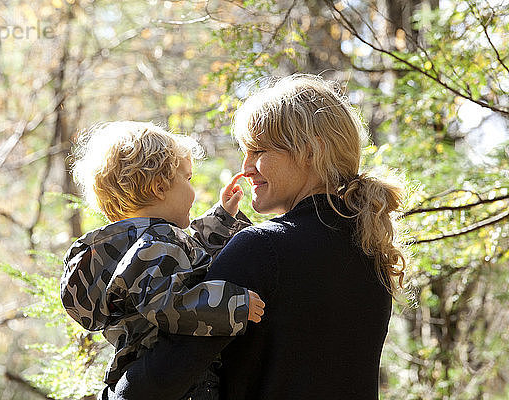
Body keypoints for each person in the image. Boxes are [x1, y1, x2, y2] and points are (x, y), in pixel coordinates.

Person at [103, 74, 409, 400]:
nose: (246, 167)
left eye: (258, 150)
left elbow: (160, 381)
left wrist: (111, 392)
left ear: (311, 150)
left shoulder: (262, 249)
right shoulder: (371, 251)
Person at [60, 121, 265, 400]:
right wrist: (234, 305)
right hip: (181, 385)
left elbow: (188, 254)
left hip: (144, 378)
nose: (193, 191)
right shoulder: (155, 245)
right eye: (187, 178)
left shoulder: (135, 243)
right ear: (159, 187)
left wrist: (222, 218)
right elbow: (167, 304)